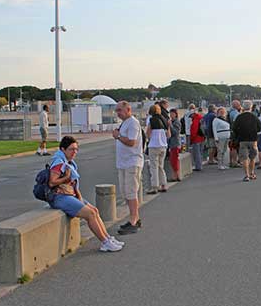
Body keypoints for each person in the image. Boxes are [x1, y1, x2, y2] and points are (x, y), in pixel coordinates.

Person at [45, 136, 122, 252]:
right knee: (90, 214)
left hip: (69, 195)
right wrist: (66, 177)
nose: (74, 152)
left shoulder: (69, 162)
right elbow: (52, 182)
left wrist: (79, 196)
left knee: (94, 211)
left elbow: (73, 183)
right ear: (63, 149)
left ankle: (108, 238)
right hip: (59, 197)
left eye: (76, 149)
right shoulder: (59, 162)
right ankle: (105, 242)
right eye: (71, 149)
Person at [113, 101, 144, 235]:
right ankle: (134, 218)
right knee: (125, 192)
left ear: (128, 109)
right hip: (123, 163)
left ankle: (133, 220)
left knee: (131, 192)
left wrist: (118, 136)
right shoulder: (125, 123)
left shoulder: (133, 123)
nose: (118, 113)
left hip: (132, 162)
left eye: (120, 110)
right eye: (117, 110)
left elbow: (131, 142)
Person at [144, 103, 170, 193]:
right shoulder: (165, 120)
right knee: (160, 166)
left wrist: (149, 139)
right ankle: (163, 185)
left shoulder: (151, 120)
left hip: (154, 145)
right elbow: (168, 134)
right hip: (163, 145)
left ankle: (155, 187)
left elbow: (148, 134)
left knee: (153, 167)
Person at [232, 105, 260, 182]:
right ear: (251, 108)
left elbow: (234, 128)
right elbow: (260, 127)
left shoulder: (239, 117)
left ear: (243, 108)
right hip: (253, 140)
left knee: (244, 158)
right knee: (252, 157)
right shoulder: (254, 117)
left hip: (242, 140)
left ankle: (246, 175)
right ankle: (252, 173)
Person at [166, 108, 184, 182]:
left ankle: (176, 176)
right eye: (170, 114)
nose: (171, 115)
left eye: (172, 114)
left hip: (175, 143)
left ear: (176, 114)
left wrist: (170, 125)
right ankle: (176, 175)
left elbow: (175, 132)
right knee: (173, 160)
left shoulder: (177, 122)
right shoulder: (173, 121)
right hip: (172, 143)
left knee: (174, 160)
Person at [186, 107, 204, 172]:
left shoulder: (195, 120)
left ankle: (198, 167)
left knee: (197, 153)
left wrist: (191, 139)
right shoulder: (201, 118)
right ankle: (200, 165)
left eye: (191, 116)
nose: (190, 118)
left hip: (196, 138)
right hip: (202, 137)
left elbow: (194, 130)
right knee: (200, 152)